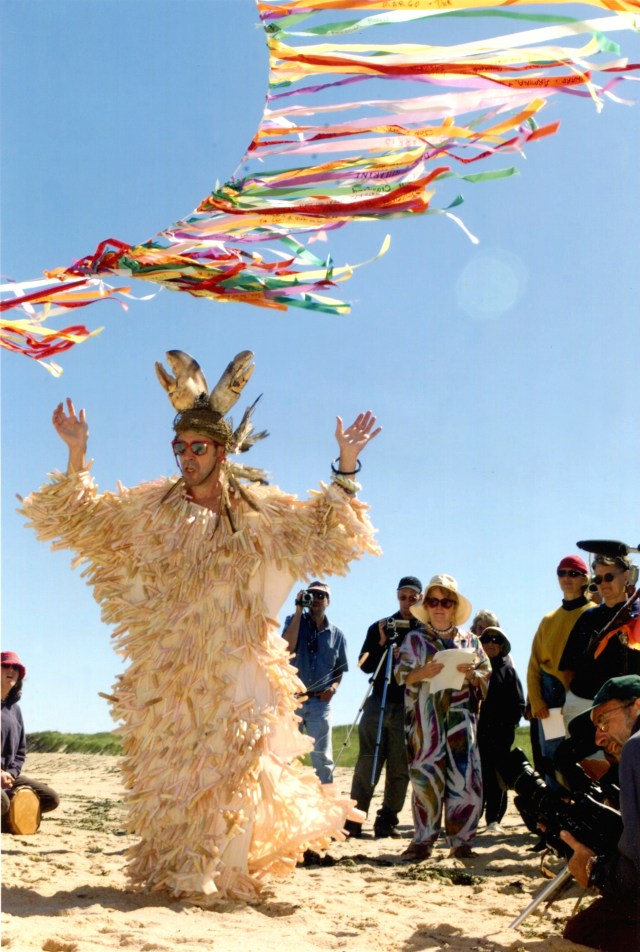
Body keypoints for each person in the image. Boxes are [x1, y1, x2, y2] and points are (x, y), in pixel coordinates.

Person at [21, 348, 381, 901]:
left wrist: (346, 465)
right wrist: (77, 453)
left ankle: (227, 872)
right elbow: (84, 522)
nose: (185, 457)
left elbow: (325, 533)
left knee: (236, 766)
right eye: (179, 448)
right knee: (175, 770)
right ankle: (182, 874)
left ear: (222, 451)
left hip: (240, 660)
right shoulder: (153, 508)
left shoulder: (261, 512)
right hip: (173, 663)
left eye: (197, 448)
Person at [394, 574, 490, 861]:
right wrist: (420, 673)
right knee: (425, 780)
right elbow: (400, 675)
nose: (439, 607)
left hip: (461, 722)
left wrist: (473, 674)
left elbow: (485, 674)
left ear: (453, 607)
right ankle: (423, 841)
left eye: (445, 602)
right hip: (426, 724)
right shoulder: (414, 640)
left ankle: (461, 842)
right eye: (433, 601)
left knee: (465, 781)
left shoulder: (471, 641)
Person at [560, 675, 640, 950]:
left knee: (584, 929)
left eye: (604, 721)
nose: (599, 737)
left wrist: (595, 871)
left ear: (637, 706)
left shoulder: (636, 746)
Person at [345, 575, 423, 839]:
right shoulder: (380, 626)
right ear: (397, 596)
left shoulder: (424, 630)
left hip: (408, 704)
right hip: (378, 700)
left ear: (420, 599)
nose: (407, 602)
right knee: (368, 761)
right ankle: (355, 819)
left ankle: (387, 820)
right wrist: (381, 642)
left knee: (401, 767)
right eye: (403, 597)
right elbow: (363, 665)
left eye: (413, 598)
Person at [527, 555, 594, 783]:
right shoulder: (548, 620)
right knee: (553, 755)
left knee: (585, 755)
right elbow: (534, 665)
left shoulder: (595, 614)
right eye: (562, 573)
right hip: (551, 699)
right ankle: (557, 812)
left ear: (586, 578)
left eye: (573, 573)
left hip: (582, 696)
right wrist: (537, 702)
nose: (567, 578)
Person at [561, 554, 640, 729]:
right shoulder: (587, 617)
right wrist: (572, 699)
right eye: (598, 578)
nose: (603, 583)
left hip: (628, 708)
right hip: (584, 706)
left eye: (609, 577)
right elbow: (568, 666)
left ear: (626, 576)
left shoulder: (638, 614)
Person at [282, 581, 346, 784]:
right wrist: (299, 609)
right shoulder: (294, 621)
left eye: (320, 596)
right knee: (286, 756)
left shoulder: (337, 635)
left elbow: (340, 669)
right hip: (293, 700)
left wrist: (333, 689)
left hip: (321, 703)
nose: (316, 599)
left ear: (328, 601)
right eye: (311, 595)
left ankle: (328, 805)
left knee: (322, 758)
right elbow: (285, 649)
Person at [1, 651, 59, 830]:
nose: (11, 670)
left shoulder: (15, 710)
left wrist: (11, 773)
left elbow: (20, 751)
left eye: (16, 667)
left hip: (7, 777)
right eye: (5, 665)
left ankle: (8, 819)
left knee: (50, 799)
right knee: (2, 801)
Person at [476, 627, 525, 833]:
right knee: (477, 776)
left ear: (502, 645)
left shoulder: (508, 671)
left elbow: (519, 704)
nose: (490, 644)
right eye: (486, 640)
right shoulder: (474, 670)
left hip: (500, 734)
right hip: (476, 733)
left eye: (496, 640)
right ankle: (471, 819)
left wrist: (507, 726)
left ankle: (493, 820)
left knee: (497, 779)